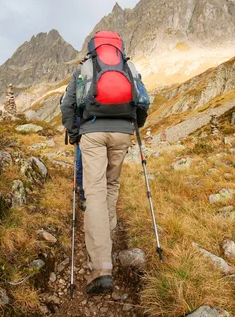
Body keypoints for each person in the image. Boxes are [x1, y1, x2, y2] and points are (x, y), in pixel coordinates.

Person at [60, 30, 148, 294]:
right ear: (119, 49)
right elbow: (143, 100)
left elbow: (68, 104)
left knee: (95, 192)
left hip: (93, 133)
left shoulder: (85, 68)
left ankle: (101, 266)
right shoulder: (129, 67)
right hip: (122, 133)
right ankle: (106, 241)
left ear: (92, 48)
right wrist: (135, 126)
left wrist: (74, 134)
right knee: (111, 186)